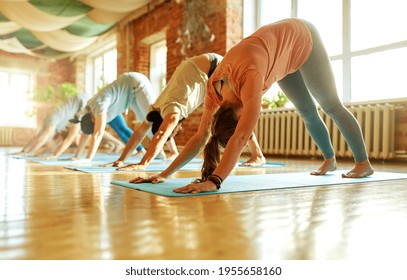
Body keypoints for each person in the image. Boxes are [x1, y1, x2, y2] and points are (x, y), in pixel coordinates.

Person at [129, 18, 374, 194]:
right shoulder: (215, 91)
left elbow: (241, 135)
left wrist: (214, 181)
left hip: (300, 37)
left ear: (237, 115)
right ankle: (330, 160)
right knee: (307, 111)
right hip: (278, 54)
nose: (246, 138)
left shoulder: (250, 81)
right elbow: (201, 137)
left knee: (330, 105)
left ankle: (363, 163)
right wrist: (163, 175)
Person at [102, 53, 266, 171]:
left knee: (232, 112)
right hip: (201, 66)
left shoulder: (172, 111)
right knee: (225, 113)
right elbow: (138, 134)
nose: (178, 131)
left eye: (173, 133)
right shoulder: (156, 108)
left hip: (213, 67)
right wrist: (121, 160)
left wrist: (143, 163)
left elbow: (160, 135)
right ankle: (257, 154)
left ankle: (258, 155)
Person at [71, 72, 175, 161]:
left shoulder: (98, 105)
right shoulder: (87, 113)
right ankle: (159, 152)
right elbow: (86, 133)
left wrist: (89, 158)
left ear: (93, 120)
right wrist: (76, 156)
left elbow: (98, 132)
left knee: (154, 117)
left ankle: (173, 152)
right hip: (130, 97)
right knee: (145, 122)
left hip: (136, 83)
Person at [16, 91, 91, 156]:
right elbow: (69, 139)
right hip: (56, 117)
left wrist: (43, 152)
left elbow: (57, 142)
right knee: (44, 136)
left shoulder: (71, 124)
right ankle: (28, 153)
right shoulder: (85, 105)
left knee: (40, 136)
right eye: (78, 140)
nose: (77, 142)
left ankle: (24, 151)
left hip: (54, 118)